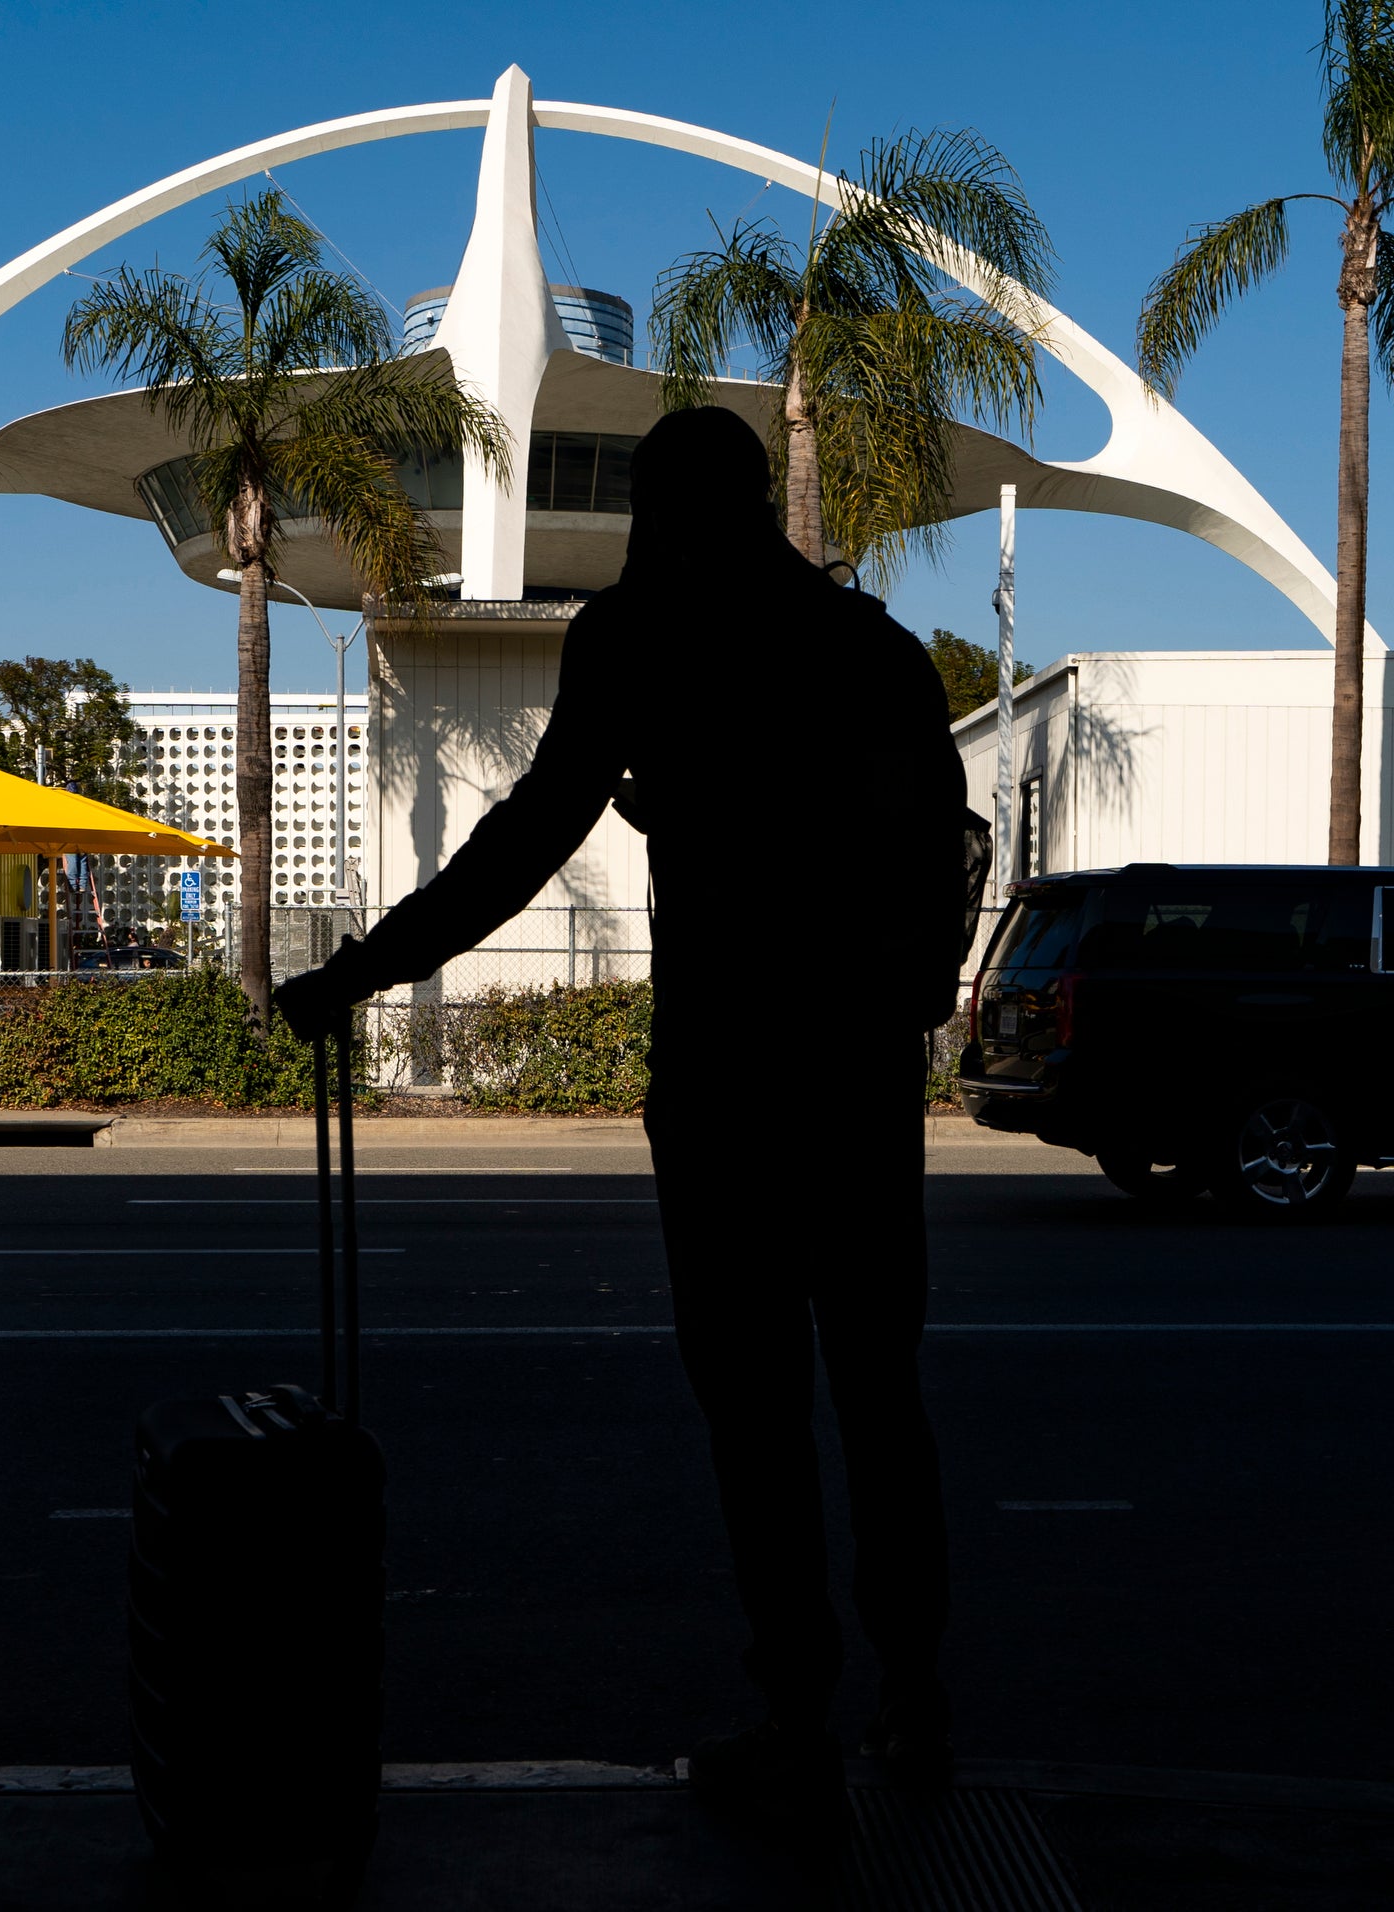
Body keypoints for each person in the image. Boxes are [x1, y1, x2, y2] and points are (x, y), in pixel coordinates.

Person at [275, 407, 972, 1831]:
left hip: (723, 1077)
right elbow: (938, 845)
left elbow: (525, 840)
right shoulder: (870, 650)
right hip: (852, 1075)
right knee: (881, 1397)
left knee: (758, 1414)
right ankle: (917, 1701)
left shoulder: (641, 642)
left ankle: (798, 1710)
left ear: (657, 513)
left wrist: (365, 970)